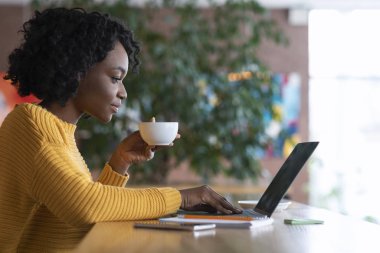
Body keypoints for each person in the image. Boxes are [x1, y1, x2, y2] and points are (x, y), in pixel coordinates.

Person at [0, 7, 242, 252]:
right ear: (77, 71)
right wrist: (181, 198)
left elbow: (81, 216)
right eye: (116, 78)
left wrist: (119, 162)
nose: (123, 92)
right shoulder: (30, 125)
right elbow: (84, 205)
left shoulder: (59, 131)